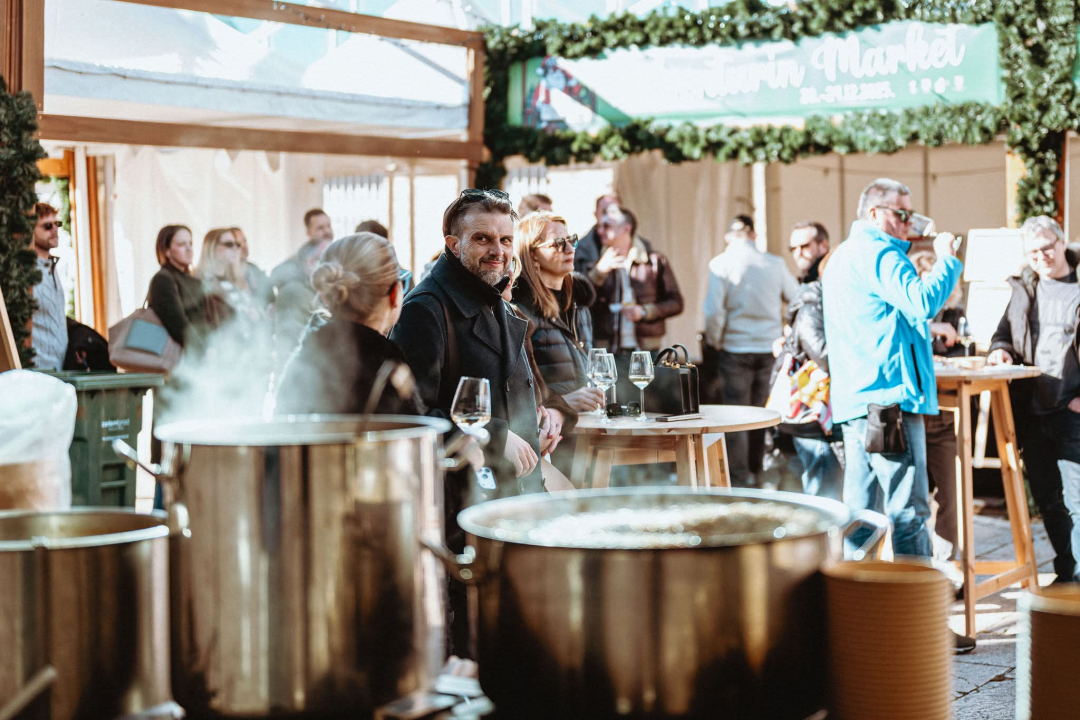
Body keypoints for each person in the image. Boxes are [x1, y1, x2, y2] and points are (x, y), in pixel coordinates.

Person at [822, 178, 962, 559]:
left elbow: (877, 320)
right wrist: (947, 258)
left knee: (861, 513)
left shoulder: (842, 257)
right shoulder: (880, 253)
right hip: (889, 403)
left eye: (910, 214)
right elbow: (922, 302)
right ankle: (914, 613)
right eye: (901, 214)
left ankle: (852, 603)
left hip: (856, 402)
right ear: (874, 213)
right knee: (908, 512)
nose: (907, 223)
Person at [390, 189, 543, 495]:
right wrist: (496, 436)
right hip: (465, 496)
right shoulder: (424, 308)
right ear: (453, 245)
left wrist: (535, 421)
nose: (497, 251)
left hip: (516, 488)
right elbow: (411, 415)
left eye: (506, 240)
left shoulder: (492, 292)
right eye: (482, 239)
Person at [987, 215, 1080, 584]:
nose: (1041, 256)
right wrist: (1000, 352)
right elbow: (1002, 334)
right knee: (1048, 500)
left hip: (1072, 410)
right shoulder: (1024, 288)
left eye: (1047, 247)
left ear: (1062, 243)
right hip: (1033, 412)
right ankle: (1067, 572)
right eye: (1033, 251)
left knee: (1078, 501)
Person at [276, 232, 419, 415]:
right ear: (394, 295)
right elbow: (411, 431)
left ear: (327, 297)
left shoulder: (305, 353)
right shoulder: (386, 364)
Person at [703, 214, 799, 486]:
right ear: (754, 235)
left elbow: (713, 311)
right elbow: (796, 298)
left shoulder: (721, 264)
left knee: (735, 415)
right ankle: (759, 472)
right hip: (769, 348)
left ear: (729, 237)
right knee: (763, 414)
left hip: (736, 347)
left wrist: (716, 341)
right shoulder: (775, 263)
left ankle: (738, 476)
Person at [775, 222, 842, 500]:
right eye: (794, 247)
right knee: (823, 492)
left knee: (820, 487)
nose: (798, 253)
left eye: (805, 246)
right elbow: (823, 354)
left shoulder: (818, 288)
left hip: (813, 408)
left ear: (823, 246)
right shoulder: (812, 295)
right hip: (811, 408)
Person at [512, 211, 603, 411]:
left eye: (572, 240)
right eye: (558, 243)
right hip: (550, 430)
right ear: (532, 253)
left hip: (588, 424)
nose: (570, 249)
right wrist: (562, 403)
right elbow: (518, 386)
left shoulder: (580, 302)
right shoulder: (519, 309)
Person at [910, 250, 966, 560]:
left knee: (951, 494)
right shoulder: (908, 315)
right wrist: (929, 330)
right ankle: (916, 564)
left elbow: (963, 358)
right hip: (913, 416)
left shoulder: (955, 317)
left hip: (945, 418)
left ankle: (948, 567)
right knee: (913, 497)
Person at [588, 205, 683, 355]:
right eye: (599, 226)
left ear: (626, 228)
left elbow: (676, 303)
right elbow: (583, 302)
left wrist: (645, 312)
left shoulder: (654, 261)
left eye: (607, 226)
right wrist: (598, 272)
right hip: (609, 350)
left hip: (647, 349)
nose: (600, 231)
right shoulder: (595, 262)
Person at [270, 236, 332, 372]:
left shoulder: (314, 291)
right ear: (311, 262)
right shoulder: (294, 293)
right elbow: (290, 344)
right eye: (330, 261)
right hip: (298, 380)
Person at [147, 224, 204, 347]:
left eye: (190, 243)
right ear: (166, 251)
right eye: (181, 244)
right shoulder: (163, 280)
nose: (189, 249)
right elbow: (178, 326)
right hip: (180, 357)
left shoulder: (193, 278)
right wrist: (206, 351)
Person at [29, 203, 67, 370]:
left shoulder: (53, 266)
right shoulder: (26, 271)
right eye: (47, 226)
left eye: (56, 224)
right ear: (31, 231)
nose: (54, 229)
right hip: (36, 370)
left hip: (61, 369)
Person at [198, 228, 262, 328]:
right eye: (229, 244)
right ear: (212, 247)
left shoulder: (237, 280)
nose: (235, 249)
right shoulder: (201, 281)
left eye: (237, 244)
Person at [573, 193, 620, 275]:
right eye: (605, 212)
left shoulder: (639, 246)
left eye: (615, 211)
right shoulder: (581, 249)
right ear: (596, 215)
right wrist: (597, 273)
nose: (610, 217)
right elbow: (579, 284)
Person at [230, 226, 272, 306]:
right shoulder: (224, 274)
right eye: (238, 243)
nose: (243, 246)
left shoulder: (255, 270)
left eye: (244, 241)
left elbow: (271, 299)